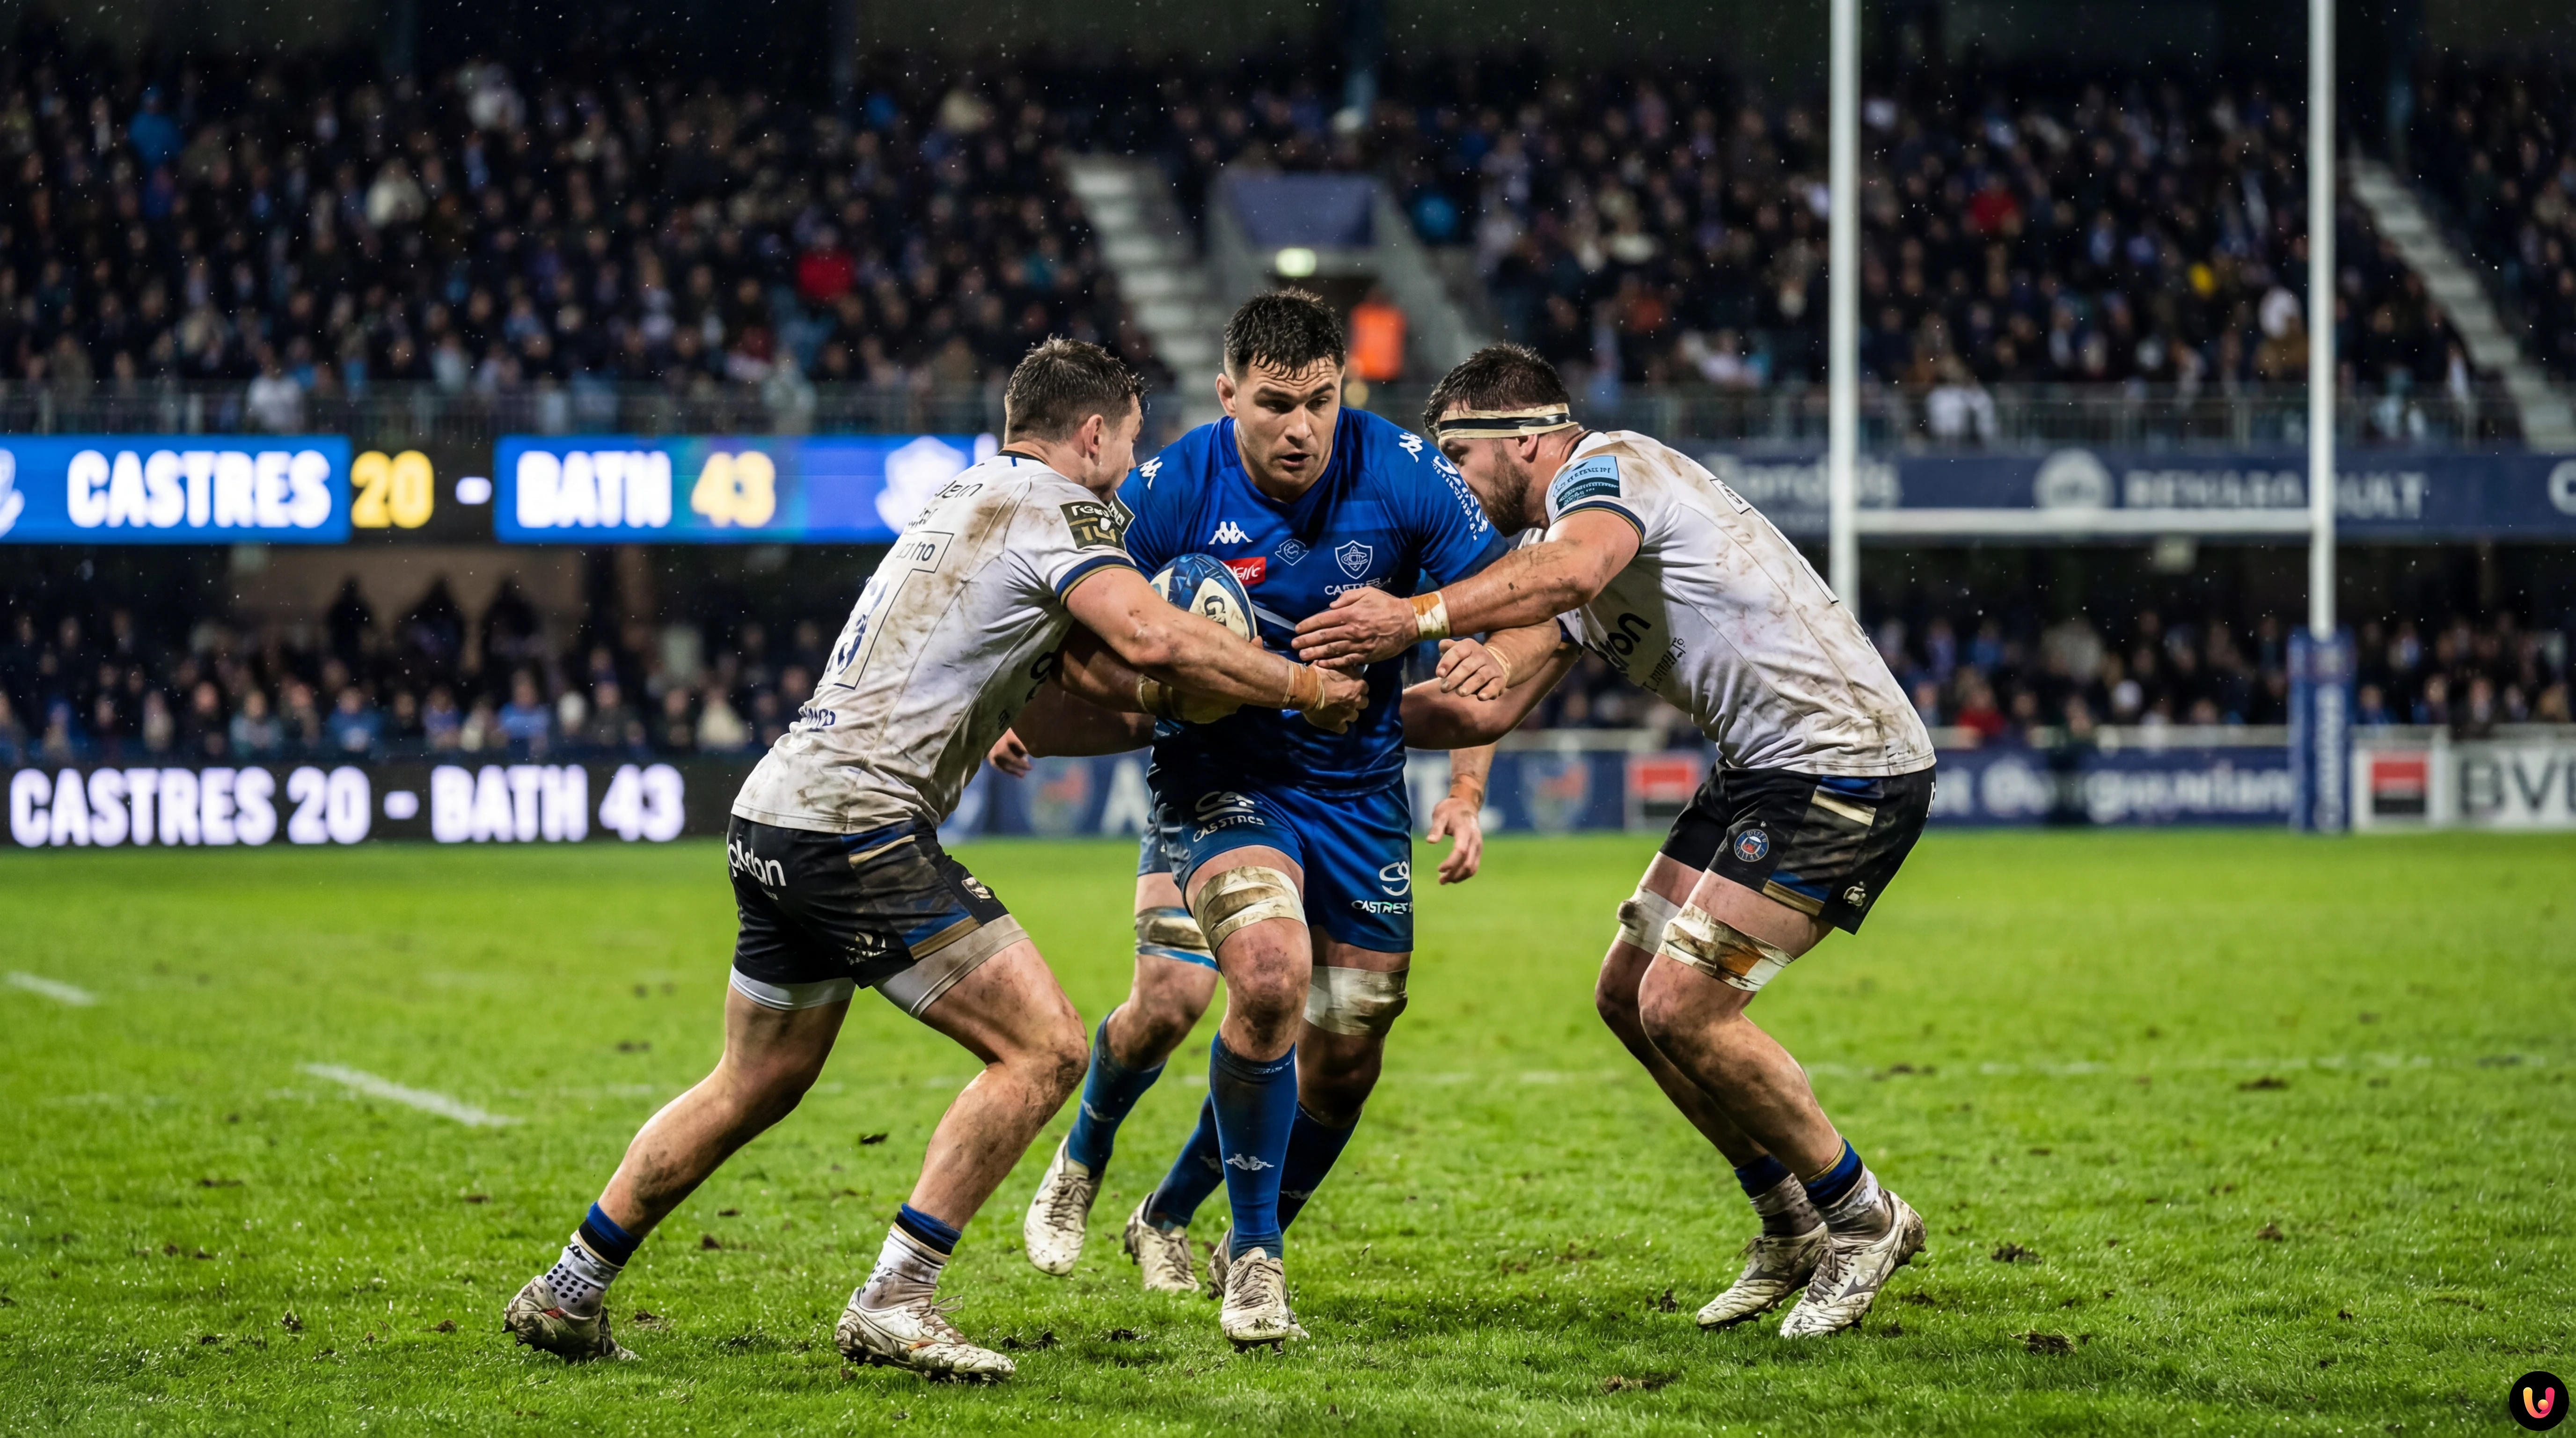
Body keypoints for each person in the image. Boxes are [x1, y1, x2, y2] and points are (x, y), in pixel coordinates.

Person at [500, 337, 1365, 1379]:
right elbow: (1148, 640)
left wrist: (1165, 696)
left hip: (777, 810)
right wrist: (1302, 686)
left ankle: (568, 1289)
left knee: (755, 1078)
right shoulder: (1060, 508)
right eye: (1127, 444)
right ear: (1091, 434)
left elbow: (1096, 671)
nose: (1130, 473)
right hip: (860, 824)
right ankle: (895, 1297)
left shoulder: (966, 494)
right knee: (1044, 1050)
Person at [1296, 343, 1939, 1338]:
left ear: (1523, 442)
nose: (1457, 494)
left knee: (1683, 1006)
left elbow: (1571, 569)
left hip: (1840, 763)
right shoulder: (1563, 556)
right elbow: (1484, 705)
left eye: (1458, 463)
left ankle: (1862, 1218)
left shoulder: (1607, 469)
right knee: (1624, 997)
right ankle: (1786, 1224)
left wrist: (1415, 615)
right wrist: (1293, 703)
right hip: (1762, 768)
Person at [1005, 290, 1546, 1349]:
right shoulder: (1167, 490)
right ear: (1225, 397)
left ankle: (1169, 1214)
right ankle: (1234, 1248)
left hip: (1355, 792)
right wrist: (1022, 706)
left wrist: (1474, 752)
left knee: (1347, 1047)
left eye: (1320, 401)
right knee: (1245, 983)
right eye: (1273, 405)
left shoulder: (1400, 473)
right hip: (1218, 777)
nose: (1300, 429)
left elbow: (1509, 612)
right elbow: (1062, 619)